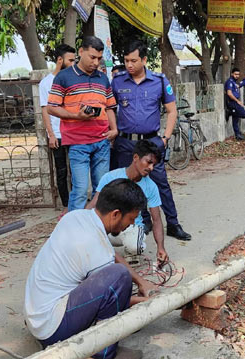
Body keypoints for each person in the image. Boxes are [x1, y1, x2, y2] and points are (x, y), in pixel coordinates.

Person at [24, 178, 158, 359]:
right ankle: (102, 353)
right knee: (119, 276)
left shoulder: (76, 217)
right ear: (116, 214)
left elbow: (108, 254)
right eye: (131, 219)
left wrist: (141, 283)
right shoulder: (96, 248)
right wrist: (150, 303)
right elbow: (111, 298)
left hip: (37, 318)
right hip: (53, 331)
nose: (131, 224)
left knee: (117, 278)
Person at [111, 40, 192, 241]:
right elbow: (109, 108)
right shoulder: (118, 81)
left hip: (150, 143)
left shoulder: (159, 80)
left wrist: (165, 138)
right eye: (126, 61)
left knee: (160, 184)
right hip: (125, 143)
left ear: (144, 60)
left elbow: (172, 111)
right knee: (128, 184)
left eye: (134, 61)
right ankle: (143, 220)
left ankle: (172, 223)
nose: (129, 65)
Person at [47, 36, 118, 212]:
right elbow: (51, 108)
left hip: (101, 141)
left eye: (99, 58)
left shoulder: (102, 78)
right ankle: (74, 230)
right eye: (92, 57)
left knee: (101, 189)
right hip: (77, 143)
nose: (95, 62)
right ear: (81, 52)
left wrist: (114, 129)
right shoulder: (63, 77)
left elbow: (109, 107)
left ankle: (96, 227)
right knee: (79, 190)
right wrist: (76, 116)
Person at [88, 140, 168, 265]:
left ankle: (131, 255)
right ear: (136, 157)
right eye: (149, 162)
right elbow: (93, 204)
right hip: (107, 227)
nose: (151, 168)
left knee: (134, 246)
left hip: (131, 229)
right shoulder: (110, 177)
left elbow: (156, 219)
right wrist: (79, 224)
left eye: (154, 165)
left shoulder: (151, 187)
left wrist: (161, 248)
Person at [40, 44, 77, 216]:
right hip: (58, 135)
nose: (73, 63)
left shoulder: (73, 80)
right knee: (61, 171)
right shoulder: (46, 83)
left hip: (73, 133)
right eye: (70, 60)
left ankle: (77, 203)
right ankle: (66, 204)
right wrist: (51, 134)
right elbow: (45, 110)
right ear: (60, 60)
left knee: (77, 170)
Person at [225, 68, 245, 140]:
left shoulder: (235, 82)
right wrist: (237, 101)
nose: (237, 76)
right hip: (232, 102)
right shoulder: (229, 82)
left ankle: (237, 135)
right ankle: (230, 112)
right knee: (244, 114)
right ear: (232, 74)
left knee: (236, 119)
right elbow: (229, 93)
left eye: (238, 74)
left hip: (235, 101)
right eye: (235, 74)